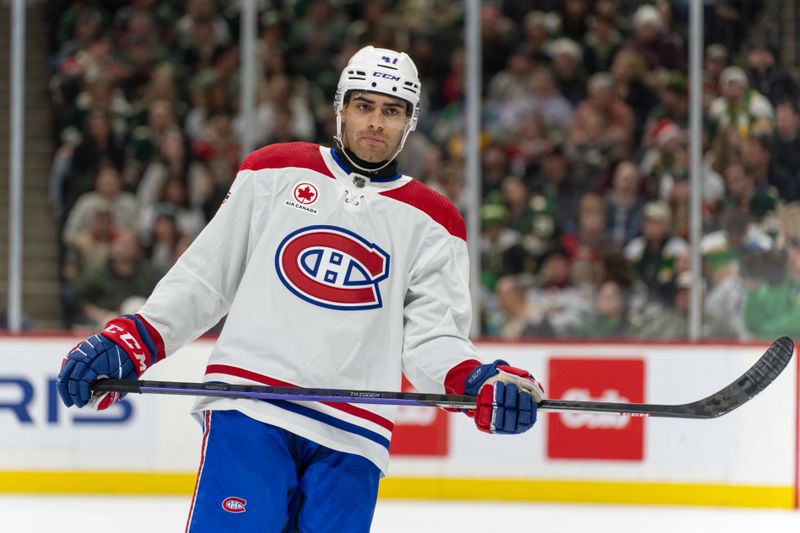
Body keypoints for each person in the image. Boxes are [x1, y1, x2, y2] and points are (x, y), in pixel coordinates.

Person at [56, 46, 545, 532]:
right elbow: (206, 278)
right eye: (365, 105)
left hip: (354, 434)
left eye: (392, 111)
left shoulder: (435, 220)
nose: (376, 122)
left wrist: (480, 381)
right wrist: (133, 341)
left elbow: (431, 339)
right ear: (341, 109)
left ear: (410, 122)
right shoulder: (275, 171)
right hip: (251, 406)